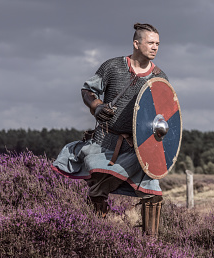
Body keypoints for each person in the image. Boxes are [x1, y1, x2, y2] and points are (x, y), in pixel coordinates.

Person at [51, 23, 168, 235]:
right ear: (136, 43)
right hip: (106, 142)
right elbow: (88, 90)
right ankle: (96, 234)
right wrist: (96, 106)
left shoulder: (159, 78)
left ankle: (151, 246)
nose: (155, 47)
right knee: (99, 189)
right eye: (150, 42)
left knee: (154, 194)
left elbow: (165, 114)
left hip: (138, 149)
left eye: (157, 44)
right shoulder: (113, 67)